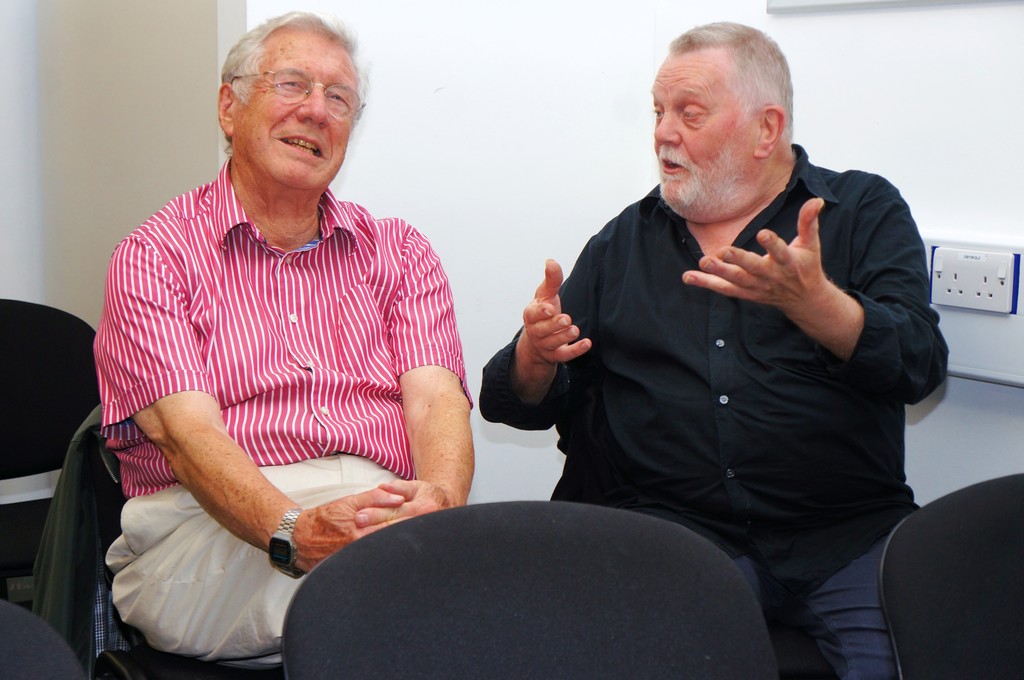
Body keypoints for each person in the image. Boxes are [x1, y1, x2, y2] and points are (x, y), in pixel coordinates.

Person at [479, 22, 946, 680]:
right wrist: (535, 354)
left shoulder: (860, 211)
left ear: (765, 128)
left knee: (908, 662)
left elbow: (920, 363)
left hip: (844, 536)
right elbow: (512, 403)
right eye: (658, 112)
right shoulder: (623, 242)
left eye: (689, 113)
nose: (663, 133)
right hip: (675, 536)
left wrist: (818, 305)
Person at [93, 11, 474, 667]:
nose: (316, 111)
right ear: (229, 107)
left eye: (339, 98)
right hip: (213, 529)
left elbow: (438, 402)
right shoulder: (155, 257)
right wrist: (294, 532)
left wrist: (438, 505)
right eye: (292, 84)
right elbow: (188, 438)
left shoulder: (401, 252)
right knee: (412, 597)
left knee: (502, 572)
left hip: (381, 516)